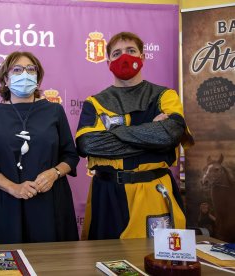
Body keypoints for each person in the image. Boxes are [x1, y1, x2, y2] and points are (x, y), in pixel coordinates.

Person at [76, 32, 194, 240]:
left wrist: (113, 134)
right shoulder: (95, 102)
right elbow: (88, 144)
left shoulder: (165, 95)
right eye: (117, 53)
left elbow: (170, 134)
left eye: (131, 51)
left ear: (142, 57)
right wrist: (152, 136)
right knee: (106, 262)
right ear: (108, 61)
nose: (125, 57)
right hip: (108, 193)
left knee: (158, 259)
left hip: (153, 190)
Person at [0, 51, 79, 244]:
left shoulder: (54, 111)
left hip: (50, 203)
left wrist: (54, 173)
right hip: (6, 203)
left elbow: (70, 156)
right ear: (5, 80)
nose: (25, 73)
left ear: (38, 78)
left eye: (30, 69)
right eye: (17, 69)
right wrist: (14, 188)